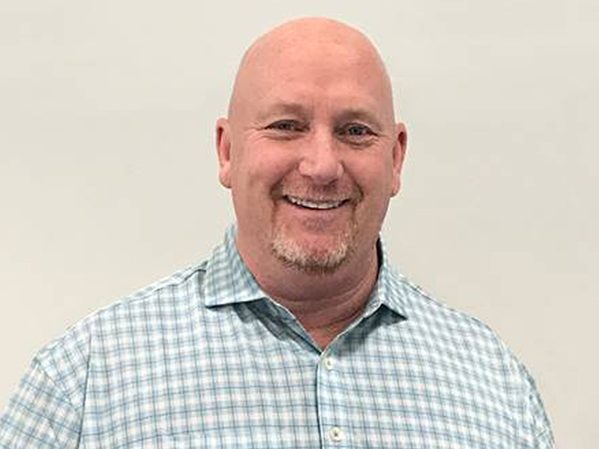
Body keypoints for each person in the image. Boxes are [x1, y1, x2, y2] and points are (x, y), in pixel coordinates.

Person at [0, 17, 554, 449]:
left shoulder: (496, 384)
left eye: (355, 131)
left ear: (396, 158)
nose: (322, 165)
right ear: (227, 151)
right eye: (286, 126)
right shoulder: (83, 382)